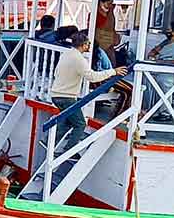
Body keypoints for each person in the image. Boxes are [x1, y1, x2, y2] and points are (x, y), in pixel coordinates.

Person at [49, 32, 127, 173]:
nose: (89, 46)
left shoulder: (67, 54)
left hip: (56, 94)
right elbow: (92, 77)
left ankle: (51, 143)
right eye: (88, 44)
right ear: (83, 45)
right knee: (80, 123)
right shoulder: (78, 59)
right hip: (66, 97)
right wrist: (113, 72)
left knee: (67, 121)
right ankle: (68, 152)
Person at [94, 0, 120, 64]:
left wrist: (115, 36)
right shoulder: (95, 13)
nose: (111, 5)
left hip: (109, 44)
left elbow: (112, 27)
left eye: (111, 3)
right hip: (99, 43)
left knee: (111, 63)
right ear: (101, 2)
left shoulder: (110, 12)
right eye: (109, 3)